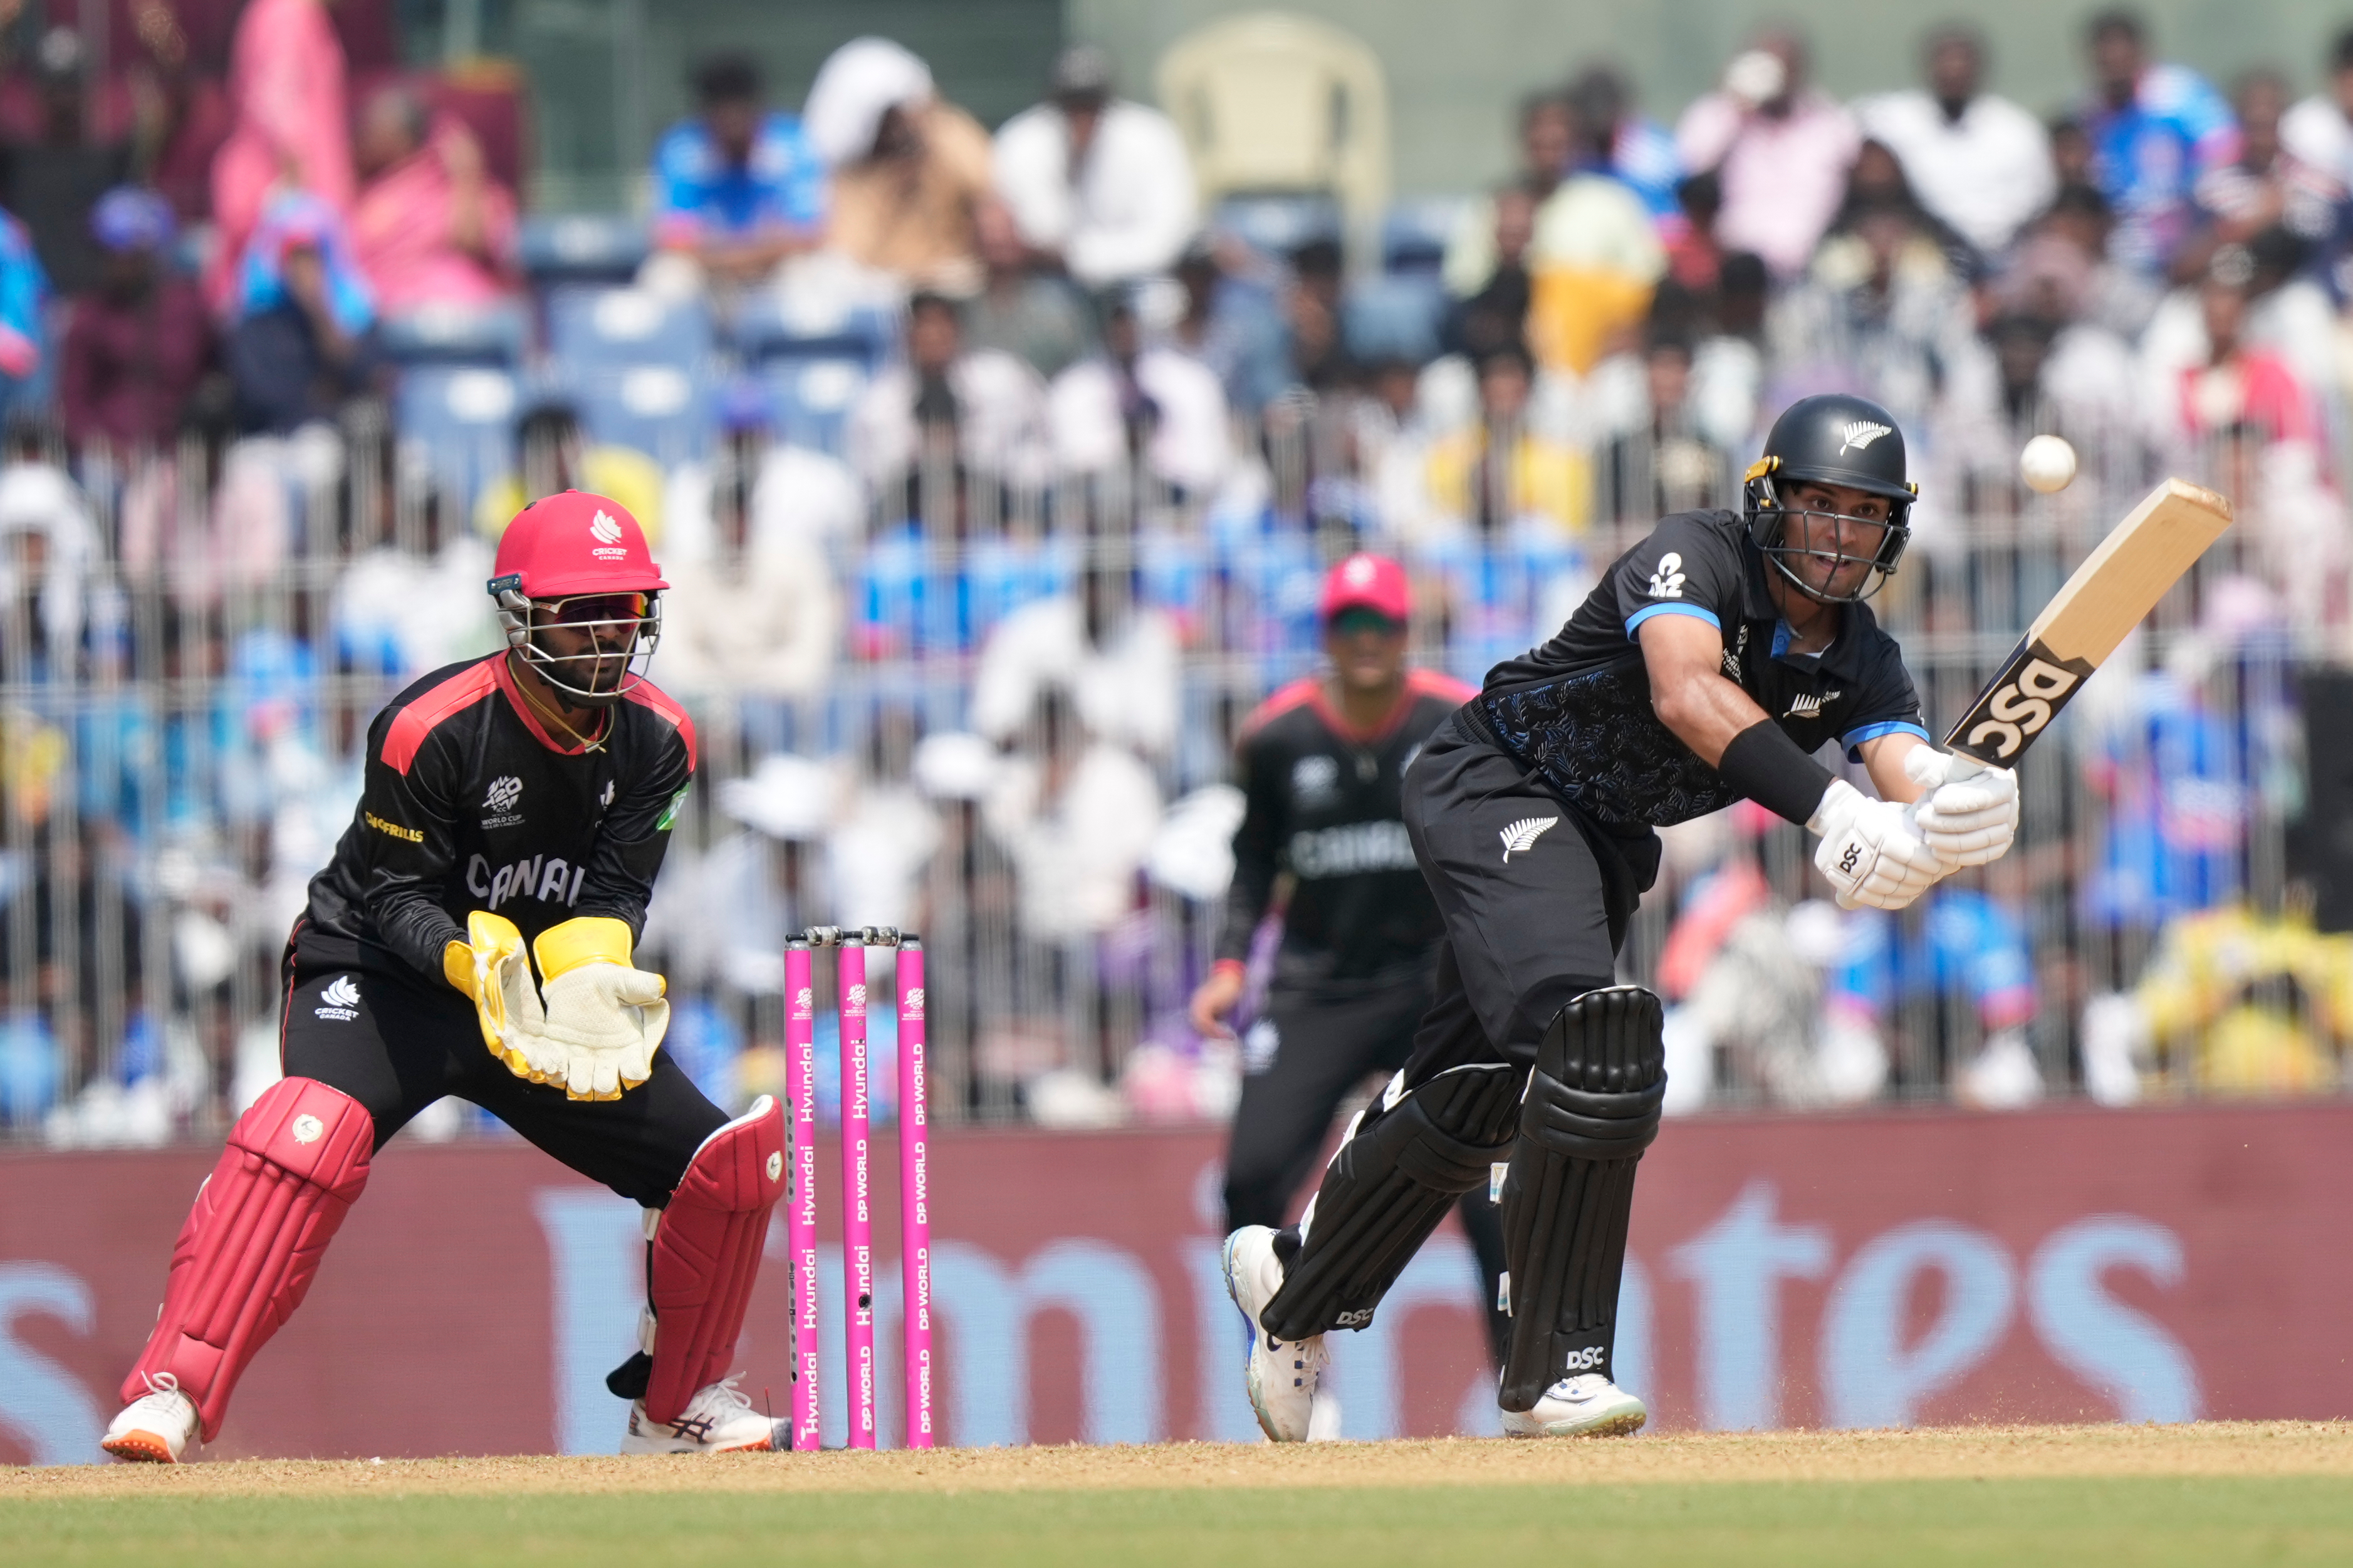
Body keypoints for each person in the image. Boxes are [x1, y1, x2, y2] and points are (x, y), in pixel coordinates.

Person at [1219, 392, 2022, 1441]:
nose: (1836, 532)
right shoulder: (1696, 555)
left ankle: (1292, 1282)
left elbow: (1896, 751)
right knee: (1590, 1038)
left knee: (1477, 1094)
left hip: (1599, 845)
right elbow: (1689, 691)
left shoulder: (1861, 654)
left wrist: (1954, 799)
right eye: (1818, 504)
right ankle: (1556, 1368)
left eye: (1862, 513)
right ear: (1769, 502)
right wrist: (1835, 814)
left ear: (1892, 530)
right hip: (1498, 786)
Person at [98, 490, 785, 1464]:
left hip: (535, 997)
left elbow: (616, 887)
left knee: (722, 1166)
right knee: (307, 1134)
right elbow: (393, 896)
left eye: (621, 607)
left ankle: (673, 1410)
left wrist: (590, 973)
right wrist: (471, 964)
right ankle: (175, 1387)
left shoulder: (658, 738)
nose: (602, 633)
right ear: (520, 614)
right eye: (578, 610)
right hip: (384, 973)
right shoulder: (432, 725)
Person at [1191, 554, 1509, 1404]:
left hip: (1434, 987)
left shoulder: (1455, 720)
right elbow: (1252, 862)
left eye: (1381, 625)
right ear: (1327, 635)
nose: (1365, 642)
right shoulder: (1276, 736)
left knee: (1492, 1183)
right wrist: (1228, 965)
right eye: (1348, 626)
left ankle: (1526, 1379)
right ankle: (1286, 1356)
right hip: (1317, 983)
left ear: (1404, 632)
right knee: (1249, 1174)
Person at [992, 42, 1198, 291]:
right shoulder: (1023, 141)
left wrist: (1080, 256)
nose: (1082, 117)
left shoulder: (1151, 137)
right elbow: (1031, 235)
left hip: (1139, 284)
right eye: (1072, 107)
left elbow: (1167, 238)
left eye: (1091, 106)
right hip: (1049, 285)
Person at [802, 36, 994, 295]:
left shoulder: (949, 137)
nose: (898, 131)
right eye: (889, 121)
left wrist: (931, 138)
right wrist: (894, 188)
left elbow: (987, 188)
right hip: (880, 291)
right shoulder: (854, 175)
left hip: (950, 286)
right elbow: (851, 249)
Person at [1854, 25, 2054, 260]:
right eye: (1944, 62)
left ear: (1980, 68)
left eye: (1961, 63)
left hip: (1999, 254)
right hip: (1918, 250)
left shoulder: (2017, 131)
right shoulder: (1892, 120)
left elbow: (2037, 201)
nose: (1952, 72)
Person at [1674, 28, 1859, 279]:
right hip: (1729, 269)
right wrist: (1736, 110)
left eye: (1785, 64)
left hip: (1810, 267)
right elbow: (1693, 181)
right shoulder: (1715, 116)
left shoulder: (1831, 125)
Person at [2075, 9, 2236, 276]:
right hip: (2125, 250)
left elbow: (2226, 149)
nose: (2116, 68)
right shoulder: (2086, 112)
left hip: (2193, 236)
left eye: (2122, 58)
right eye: (2107, 61)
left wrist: (2191, 198)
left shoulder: (2178, 93)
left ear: (2140, 53)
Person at [645, 55, 826, 291]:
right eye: (722, 109)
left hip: (772, 269)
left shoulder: (793, 141)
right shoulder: (681, 147)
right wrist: (741, 255)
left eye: (740, 108)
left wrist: (733, 253)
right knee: (668, 276)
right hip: (708, 271)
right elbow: (673, 240)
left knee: (810, 274)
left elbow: (807, 236)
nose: (732, 120)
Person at [60, 186, 216, 452]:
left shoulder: (190, 309)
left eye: (131, 256)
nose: (119, 265)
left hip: (182, 454)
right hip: (104, 459)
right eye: (110, 254)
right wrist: (106, 451)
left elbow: (215, 384)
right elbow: (73, 407)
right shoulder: (89, 316)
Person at [349, 85, 520, 315]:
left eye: (375, 127)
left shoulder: (441, 185)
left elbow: (476, 241)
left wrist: (467, 177)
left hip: (462, 319)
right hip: (389, 324)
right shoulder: (368, 192)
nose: (364, 134)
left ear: (403, 138)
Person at [1, 27, 134, 298]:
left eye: (71, 89)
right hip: (31, 305)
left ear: (88, 93)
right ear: (37, 94)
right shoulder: (14, 163)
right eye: (53, 90)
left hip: (93, 309)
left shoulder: (112, 164)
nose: (63, 102)